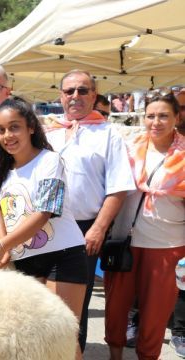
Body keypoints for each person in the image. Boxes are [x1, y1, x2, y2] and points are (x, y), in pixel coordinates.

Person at [0, 98, 87, 360]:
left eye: (14, 127)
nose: (7, 136)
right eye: (1, 130)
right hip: (25, 261)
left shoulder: (50, 161)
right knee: (37, 344)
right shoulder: (1, 168)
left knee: (63, 340)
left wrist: (2, 245)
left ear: (30, 128)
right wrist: (4, 247)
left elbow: (44, 213)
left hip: (63, 257)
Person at [45, 69, 136, 353]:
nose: (75, 96)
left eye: (83, 91)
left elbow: (119, 187)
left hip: (84, 230)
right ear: (60, 96)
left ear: (93, 96)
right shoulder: (47, 132)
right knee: (43, 304)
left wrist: (98, 227)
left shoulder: (108, 133)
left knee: (75, 308)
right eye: (69, 91)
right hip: (44, 229)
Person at [104, 91, 185, 360]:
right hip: (124, 240)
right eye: (150, 115)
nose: (156, 122)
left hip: (168, 246)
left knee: (156, 313)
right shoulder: (128, 148)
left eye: (164, 116)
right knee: (116, 309)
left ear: (177, 117)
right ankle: (115, 355)